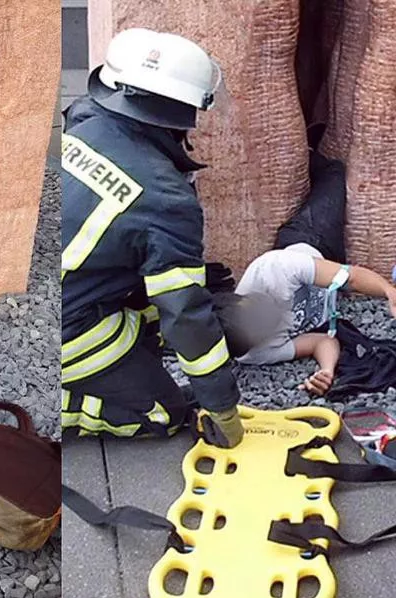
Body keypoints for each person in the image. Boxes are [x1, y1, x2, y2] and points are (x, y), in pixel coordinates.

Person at [61, 28, 243, 448]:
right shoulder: (165, 198)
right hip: (72, 328)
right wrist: (221, 406)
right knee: (163, 414)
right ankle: (64, 403)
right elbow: (183, 311)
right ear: (182, 111)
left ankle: (120, 353)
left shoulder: (84, 118)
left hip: (76, 290)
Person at [234, 145, 396, 395]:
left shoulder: (273, 271)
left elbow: (350, 277)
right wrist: (327, 371)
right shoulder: (255, 353)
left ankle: (307, 150)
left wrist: (388, 291)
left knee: (334, 174)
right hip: (325, 274)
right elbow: (322, 341)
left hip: (311, 240)